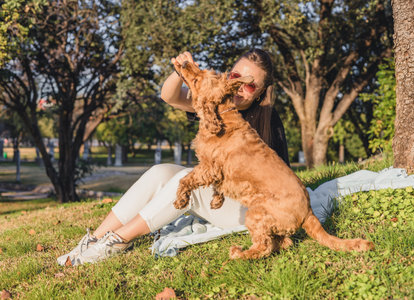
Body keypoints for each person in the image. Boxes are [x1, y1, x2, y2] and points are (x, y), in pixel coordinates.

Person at [57, 49, 290, 266]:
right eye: (236, 75)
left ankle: (116, 242)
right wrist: (180, 72)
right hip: (224, 197)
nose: (239, 86)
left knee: (187, 181)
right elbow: (171, 96)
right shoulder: (217, 101)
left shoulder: (269, 122)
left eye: (250, 86)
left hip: (252, 211)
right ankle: (94, 239)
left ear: (261, 92)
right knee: (161, 172)